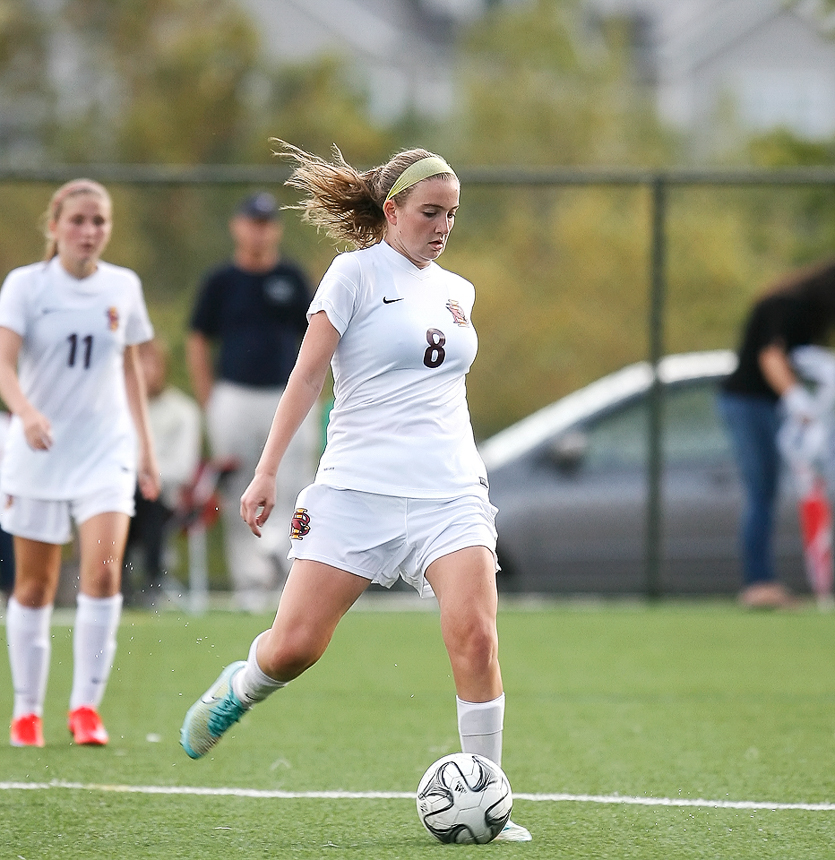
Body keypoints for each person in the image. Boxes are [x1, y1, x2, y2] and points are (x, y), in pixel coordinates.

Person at [180, 142, 531, 843]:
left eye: (452, 214)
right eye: (429, 212)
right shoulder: (353, 274)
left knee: (475, 635)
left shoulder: (459, 291)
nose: (442, 226)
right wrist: (267, 470)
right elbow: (307, 377)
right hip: (356, 491)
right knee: (295, 648)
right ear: (391, 210)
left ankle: (488, 801)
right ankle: (241, 686)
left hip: (449, 491)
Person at [0, 178, 160, 747]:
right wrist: (26, 414)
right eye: (78, 220)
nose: (89, 231)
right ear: (54, 226)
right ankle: (26, 711)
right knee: (35, 586)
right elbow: (4, 365)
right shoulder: (26, 285)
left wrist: (145, 448)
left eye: (99, 221)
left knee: (102, 573)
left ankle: (85, 707)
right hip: (38, 452)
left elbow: (130, 369)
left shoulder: (123, 286)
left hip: (105, 450)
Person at [187, 191, 318, 613]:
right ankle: (249, 581)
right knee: (237, 488)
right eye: (252, 223)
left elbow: (316, 335)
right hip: (235, 395)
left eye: (266, 224)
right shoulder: (221, 281)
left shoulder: (291, 278)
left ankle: (285, 571)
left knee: (294, 484)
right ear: (237, 227)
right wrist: (209, 398)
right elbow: (198, 338)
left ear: (275, 230)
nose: (259, 232)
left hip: (286, 395)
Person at [718, 258, 835, 608]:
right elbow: (771, 357)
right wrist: (796, 400)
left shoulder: (806, 315)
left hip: (770, 405)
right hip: (748, 402)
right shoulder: (787, 306)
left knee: (769, 492)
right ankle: (758, 583)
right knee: (761, 491)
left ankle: (765, 580)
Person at [122, 338, 201, 607]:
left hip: (164, 498)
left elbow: (183, 468)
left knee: (145, 496)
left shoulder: (182, 411)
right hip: (122, 494)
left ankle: (150, 581)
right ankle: (115, 581)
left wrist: (143, 474)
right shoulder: (116, 410)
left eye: (149, 363)